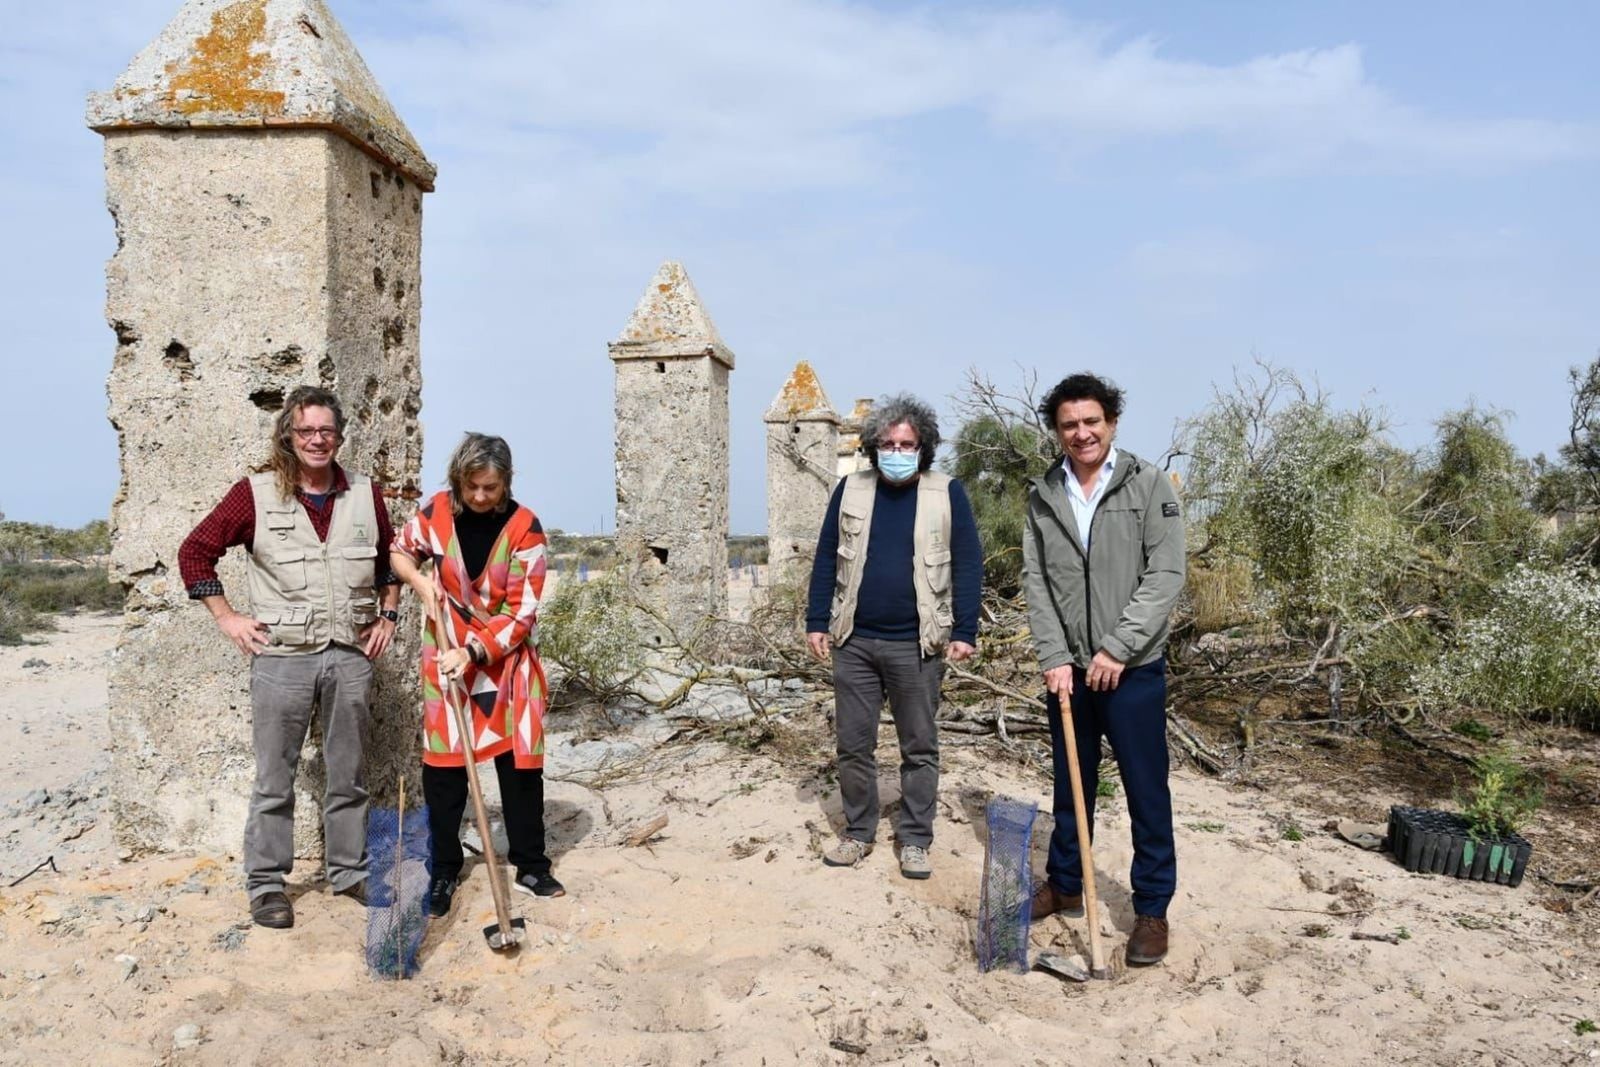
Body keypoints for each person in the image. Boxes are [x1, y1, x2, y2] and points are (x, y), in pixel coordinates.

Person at [178, 385, 400, 929]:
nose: (317, 440)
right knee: (274, 779)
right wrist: (228, 617)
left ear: (340, 436)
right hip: (282, 659)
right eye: (306, 431)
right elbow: (195, 551)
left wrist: (388, 615)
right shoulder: (252, 495)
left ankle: (349, 872)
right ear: (288, 436)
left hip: (349, 655)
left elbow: (389, 563)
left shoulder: (366, 495)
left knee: (347, 774)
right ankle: (267, 886)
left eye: (326, 431)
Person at [1020, 372, 1186, 966]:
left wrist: (1116, 648)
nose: (1082, 433)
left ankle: (1152, 910)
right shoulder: (1043, 494)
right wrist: (1054, 656)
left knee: (1146, 791)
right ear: (1058, 432)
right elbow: (1035, 581)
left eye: (1092, 421)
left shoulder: (1148, 486)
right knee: (1071, 784)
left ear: (1111, 423)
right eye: (1070, 424)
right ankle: (1065, 884)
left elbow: (1165, 576)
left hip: (1131, 669)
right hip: (1069, 672)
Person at [805, 393, 982, 880]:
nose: (897, 451)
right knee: (853, 745)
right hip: (854, 641)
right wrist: (816, 620)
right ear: (872, 446)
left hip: (917, 643)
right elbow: (826, 558)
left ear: (922, 447)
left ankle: (915, 838)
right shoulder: (850, 490)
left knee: (919, 746)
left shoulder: (947, 493)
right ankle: (859, 832)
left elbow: (968, 562)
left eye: (906, 443)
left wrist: (965, 629)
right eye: (888, 443)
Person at [389, 433, 562, 918]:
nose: (482, 497)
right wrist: (423, 584)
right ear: (458, 482)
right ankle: (444, 868)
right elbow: (398, 551)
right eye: (473, 488)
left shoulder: (526, 528)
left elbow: (523, 611)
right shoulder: (437, 513)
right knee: (444, 770)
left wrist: (474, 650)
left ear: (506, 481)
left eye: (492, 487)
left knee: (520, 766)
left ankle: (530, 864)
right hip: (444, 659)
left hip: (503, 662)